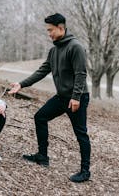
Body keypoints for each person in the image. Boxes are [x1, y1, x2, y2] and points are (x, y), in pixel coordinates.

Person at [8, 13, 91, 182]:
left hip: (77, 98)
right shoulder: (54, 50)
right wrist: (21, 84)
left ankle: (85, 171)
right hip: (62, 97)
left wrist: (76, 97)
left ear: (61, 28)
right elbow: (42, 71)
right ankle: (42, 156)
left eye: (51, 30)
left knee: (80, 133)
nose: (49, 34)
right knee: (40, 117)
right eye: (48, 31)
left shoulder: (75, 47)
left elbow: (81, 74)